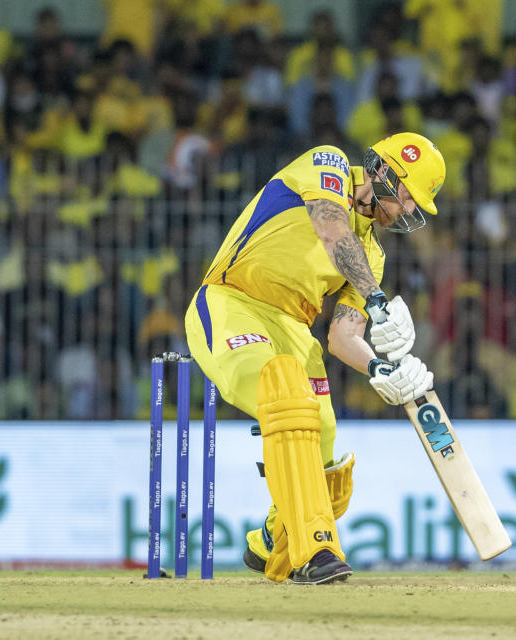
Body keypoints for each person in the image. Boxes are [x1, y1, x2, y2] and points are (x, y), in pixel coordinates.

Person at [184, 133, 445, 584]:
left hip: (293, 329)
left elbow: (345, 336)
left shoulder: (373, 256)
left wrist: (379, 368)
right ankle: (315, 550)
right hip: (232, 302)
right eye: (406, 196)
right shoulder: (331, 166)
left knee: (322, 435)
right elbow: (330, 228)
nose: (405, 211)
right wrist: (378, 299)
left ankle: (270, 540)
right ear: (383, 171)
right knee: (284, 388)